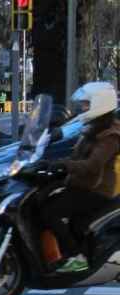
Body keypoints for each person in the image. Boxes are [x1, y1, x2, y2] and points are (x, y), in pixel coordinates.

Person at [40, 81, 120, 274]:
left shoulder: (111, 135)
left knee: (50, 212)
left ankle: (77, 257)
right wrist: (48, 163)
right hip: (83, 185)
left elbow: (93, 165)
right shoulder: (93, 128)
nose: (83, 108)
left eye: (86, 104)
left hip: (97, 190)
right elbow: (76, 157)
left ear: (99, 104)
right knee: (45, 203)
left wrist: (64, 165)